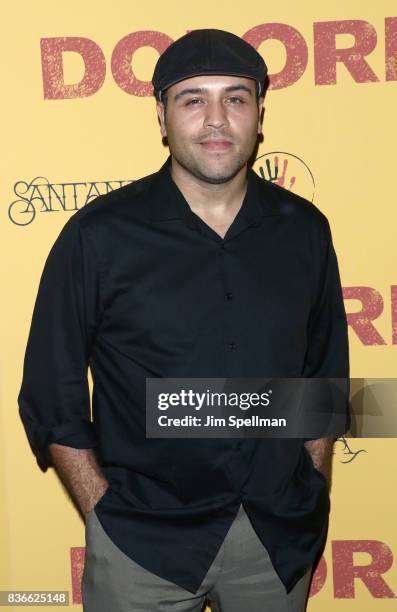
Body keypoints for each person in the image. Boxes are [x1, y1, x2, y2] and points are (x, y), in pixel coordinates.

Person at [17, 29, 349, 612]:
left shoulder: (306, 231)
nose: (216, 119)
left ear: (259, 113)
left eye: (236, 98)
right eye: (193, 99)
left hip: (277, 539)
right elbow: (51, 389)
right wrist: (100, 509)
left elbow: (325, 374)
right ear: (163, 117)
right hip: (142, 541)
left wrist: (313, 485)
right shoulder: (98, 237)